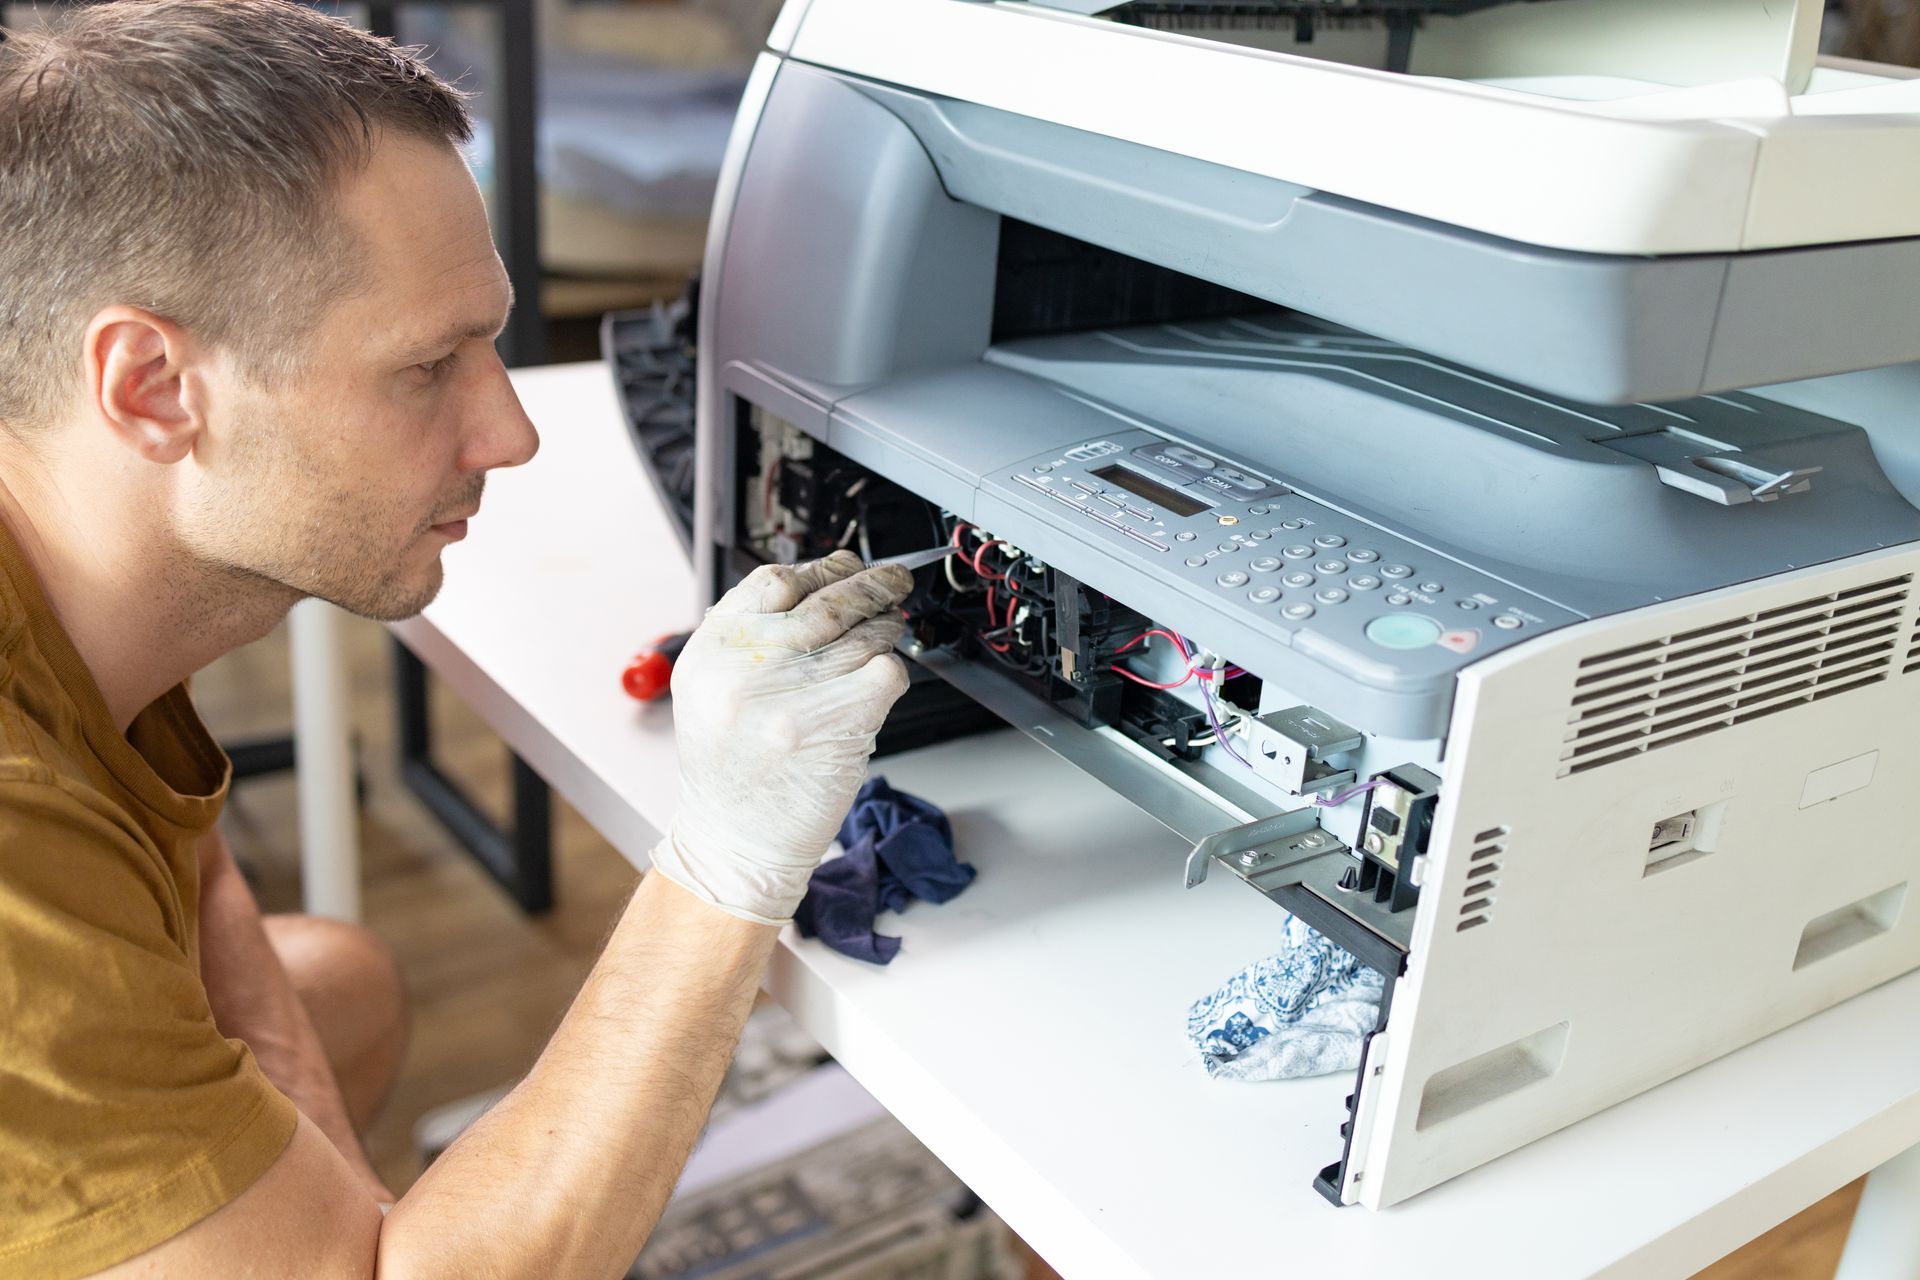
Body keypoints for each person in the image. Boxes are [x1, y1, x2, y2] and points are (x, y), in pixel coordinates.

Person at [0, 3, 914, 1276]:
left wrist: (339, 1196)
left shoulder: (68, 542)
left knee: (339, 984)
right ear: (152, 387)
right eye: (428, 367)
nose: (511, 432)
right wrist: (723, 861)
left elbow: (200, 877)